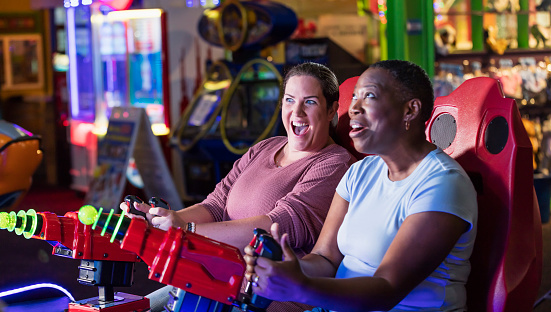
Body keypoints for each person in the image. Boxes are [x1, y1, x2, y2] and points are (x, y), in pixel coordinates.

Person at [244, 60, 478, 311]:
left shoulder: (443, 184)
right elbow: (325, 258)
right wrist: (280, 267)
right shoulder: (359, 173)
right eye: (354, 96)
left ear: (410, 110)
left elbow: (387, 289)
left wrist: (301, 287)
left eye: (369, 96)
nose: (353, 108)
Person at [121, 62, 355, 311]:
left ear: (331, 110)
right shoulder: (264, 147)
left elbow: (277, 227)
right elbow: (215, 204)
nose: (297, 112)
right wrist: (167, 219)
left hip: (265, 295)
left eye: (310, 102)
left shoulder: (334, 163)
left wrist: (186, 229)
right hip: (214, 276)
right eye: (289, 100)